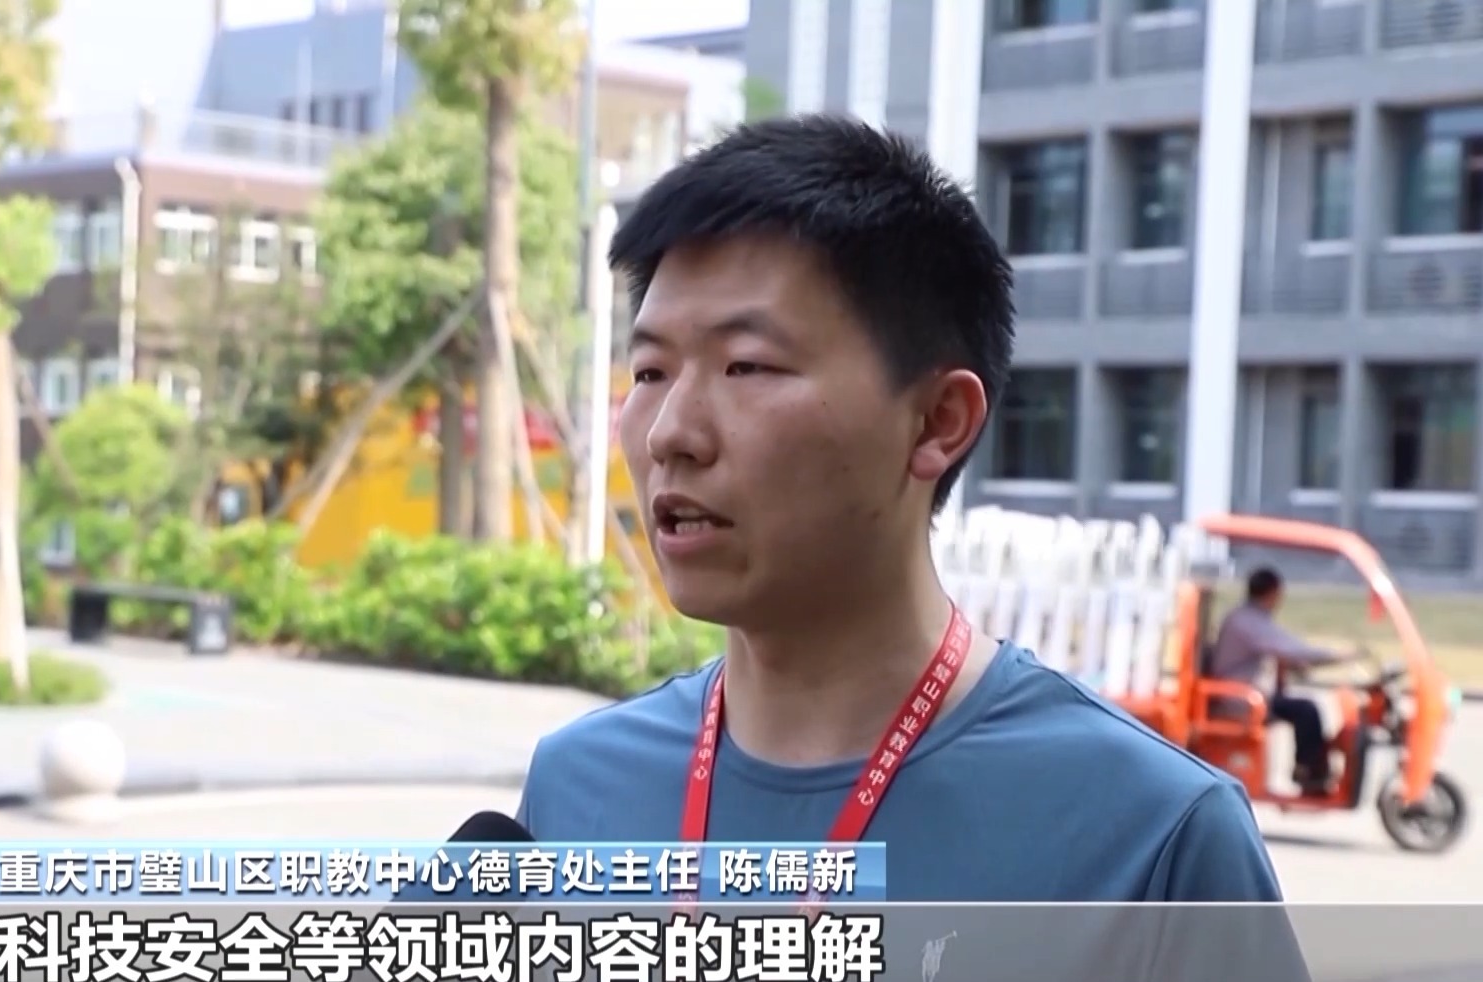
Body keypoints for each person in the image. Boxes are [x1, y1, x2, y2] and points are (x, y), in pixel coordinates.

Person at [512, 116, 1286, 902]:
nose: (671, 432)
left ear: (936, 423)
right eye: (650, 372)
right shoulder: (574, 793)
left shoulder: (1153, 838)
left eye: (746, 366)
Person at [1211, 566, 1352, 795]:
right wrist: (1338, 656)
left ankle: (1310, 769)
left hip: (1246, 692)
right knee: (1307, 711)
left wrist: (1301, 665)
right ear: (1273, 593)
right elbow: (1291, 649)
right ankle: (1309, 773)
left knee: (1304, 708)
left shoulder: (1249, 618)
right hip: (1241, 698)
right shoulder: (1248, 621)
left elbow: (1283, 650)